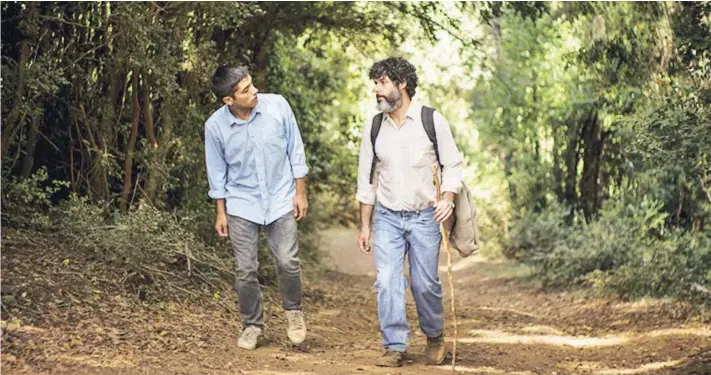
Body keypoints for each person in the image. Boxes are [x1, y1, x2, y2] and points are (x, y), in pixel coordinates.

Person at [356, 57, 464, 367]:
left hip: (425, 217)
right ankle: (395, 345)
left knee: (424, 283)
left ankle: (434, 335)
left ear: (401, 85)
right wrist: (365, 226)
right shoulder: (374, 126)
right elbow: (367, 181)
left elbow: (453, 165)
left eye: (382, 83)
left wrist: (447, 198)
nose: (377, 89)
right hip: (388, 216)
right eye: (376, 83)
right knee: (388, 280)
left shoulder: (432, 121)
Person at [204, 65, 309, 350]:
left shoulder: (277, 106)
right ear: (228, 100)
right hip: (241, 203)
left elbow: (295, 150)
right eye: (246, 90)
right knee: (245, 269)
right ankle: (252, 324)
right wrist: (221, 211)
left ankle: (293, 312)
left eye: (252, 84)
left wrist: (300, 192)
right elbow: (217, 171)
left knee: (287, 261)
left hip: (281, 197)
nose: (255, 92)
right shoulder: (215, 127)